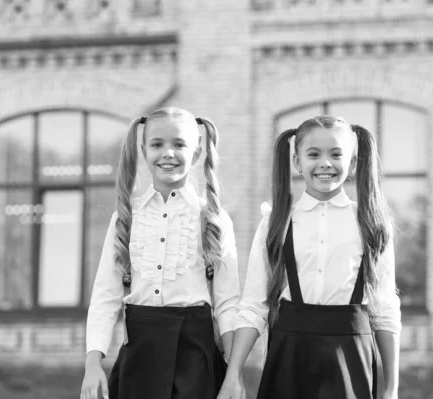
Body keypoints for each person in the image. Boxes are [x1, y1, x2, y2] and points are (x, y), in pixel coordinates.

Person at [218, 115, 401, 399]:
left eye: (336, 154)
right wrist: (234, 375)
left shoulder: (371, 224)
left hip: (351, 358)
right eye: (313, 154)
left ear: (352, 163)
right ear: (297, 162)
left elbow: (385, 311)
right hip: (289, 356)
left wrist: (390, 389)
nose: (325, 163)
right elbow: (254, 306)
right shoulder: (276, 223)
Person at [80, 107, 240, 399]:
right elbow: (105, 298)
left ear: (197, 152)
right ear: (143, 150)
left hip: (196, 357)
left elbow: (228, 303)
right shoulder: (126, 218)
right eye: (157, 144)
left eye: (179, 144)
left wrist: (234, 375)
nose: (168, 153)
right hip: (138, 357)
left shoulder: (213, 219)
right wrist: (93, 363)